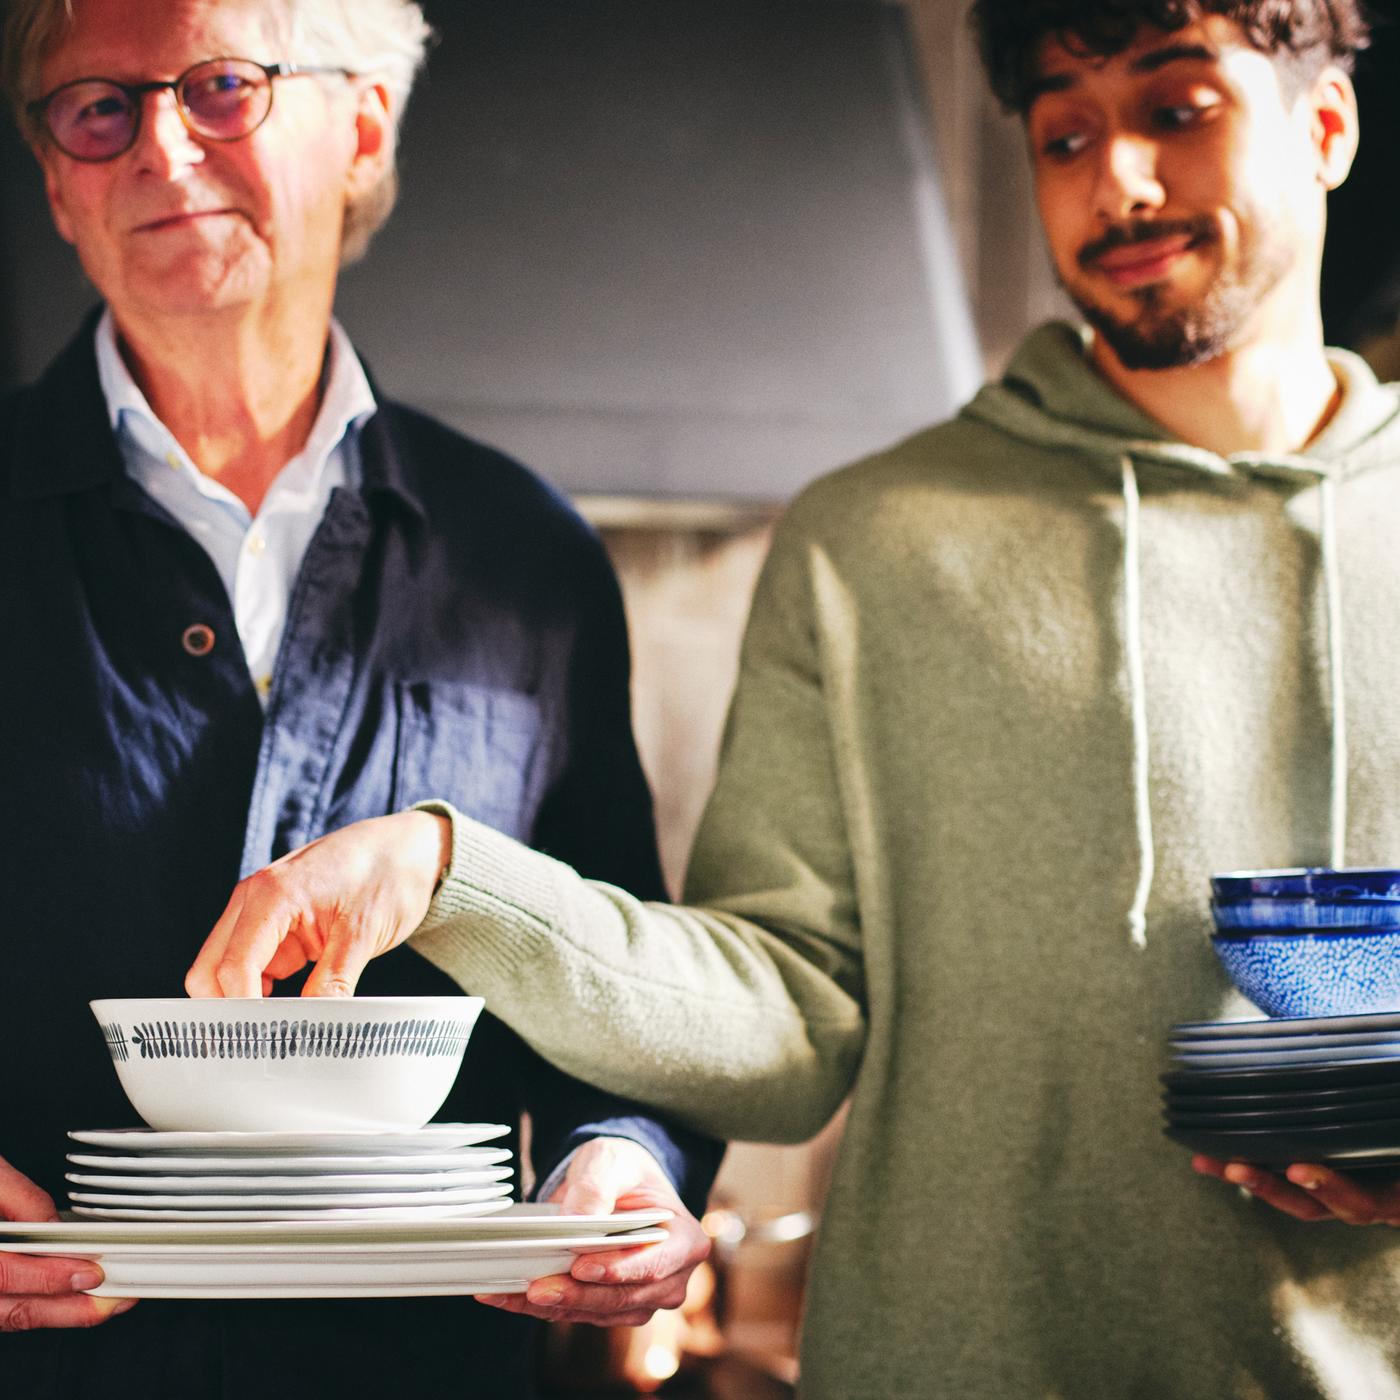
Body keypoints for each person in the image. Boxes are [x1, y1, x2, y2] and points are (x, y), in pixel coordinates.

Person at [186, 0, 1400, 1395]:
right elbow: (785, 1011)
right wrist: (445, 877)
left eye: (1178, 111)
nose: (1117, 179)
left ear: (1326, 126)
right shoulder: (874, 542)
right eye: (1065, 135)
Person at [0, 0, 720, 1393]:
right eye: (99, 105)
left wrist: (621, 1158)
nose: (159, 146)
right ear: (55, 180)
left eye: (221, 88)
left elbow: (618, 975)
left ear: (364, 128)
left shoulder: (529, 556)